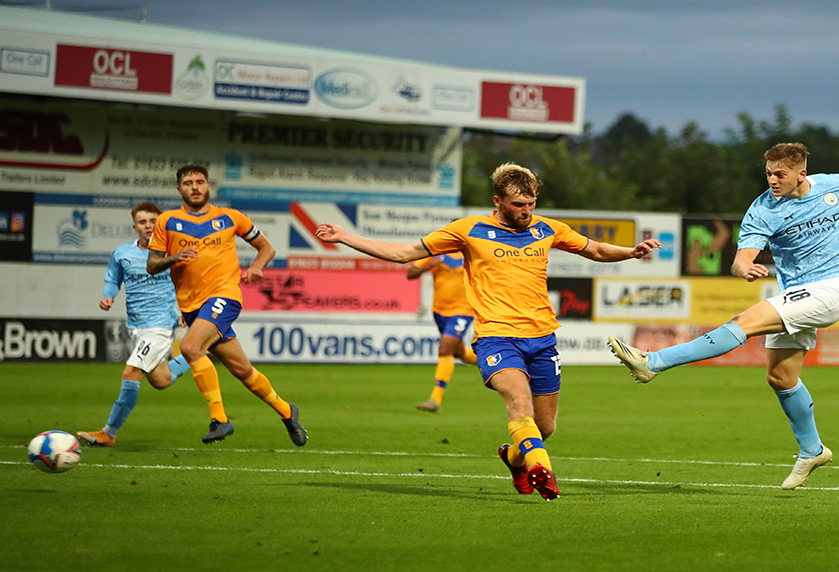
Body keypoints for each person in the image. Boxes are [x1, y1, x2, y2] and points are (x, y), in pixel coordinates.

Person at [316, 162, 660, 500]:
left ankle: (514, 459)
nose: (526, 211)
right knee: (518, 401)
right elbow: (404, 253)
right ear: (497, 201)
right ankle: (544, 473)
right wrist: (345, 236)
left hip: (542, 340)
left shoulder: (547, 229)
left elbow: (596, 249)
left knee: (545, 428)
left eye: (531, 203)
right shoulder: (467, 230)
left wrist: (631, 252)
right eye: (518, 205)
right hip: (496, 336)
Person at [609, 142, 839, 489]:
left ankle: (654, 362)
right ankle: (812, 450)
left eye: (779, 173)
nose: (772, 179)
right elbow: (741, 257)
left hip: (831, 288)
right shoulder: (764, 209)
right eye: (768, 173)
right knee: (781, 377)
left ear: (801, 174)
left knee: (743, 324)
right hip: (795, 293)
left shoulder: (832, 185)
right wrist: (743, 268)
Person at [147, 165, 307, 446]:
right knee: (242, 370)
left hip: (225, 296)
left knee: (189, 347)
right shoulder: (167, 222)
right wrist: (174, 259)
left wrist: (257, 266)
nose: (194, 187)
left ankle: (219, 419)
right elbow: (152, 265)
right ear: (179, 190)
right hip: (192, 307)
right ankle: (286, 411)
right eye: (187, 183)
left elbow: (266, 247)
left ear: (209, 186)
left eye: (199, 182)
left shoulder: (230, 217)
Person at [77, 202, 192, 447]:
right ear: (135, 226)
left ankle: (109, 433)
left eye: (153, 221)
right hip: (137, 326)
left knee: (131, 373)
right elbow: (113, 279)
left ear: (162, 224)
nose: (148, 226)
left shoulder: (174, 254)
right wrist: (109, 295)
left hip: (161, 324)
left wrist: (183, 309)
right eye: (143, 222)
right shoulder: (122, 253)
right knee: (160, 379)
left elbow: (187, 283)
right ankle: (199, 353)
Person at [406, 254, 478, 413]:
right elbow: (410, 273)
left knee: (445, 349)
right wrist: (429, 265)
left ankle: (435, 399)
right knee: (457, 351)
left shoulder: (473, 252)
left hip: (463, 311)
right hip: (439, 311)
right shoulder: (437, 253)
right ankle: (485, 361)